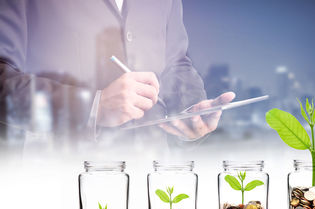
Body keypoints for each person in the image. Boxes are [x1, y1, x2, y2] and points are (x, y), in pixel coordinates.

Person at [0, 0, 235, 156]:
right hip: (59, 179)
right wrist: (92, 107)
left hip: (151, 178)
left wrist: (190, 111)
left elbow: (175, 61)